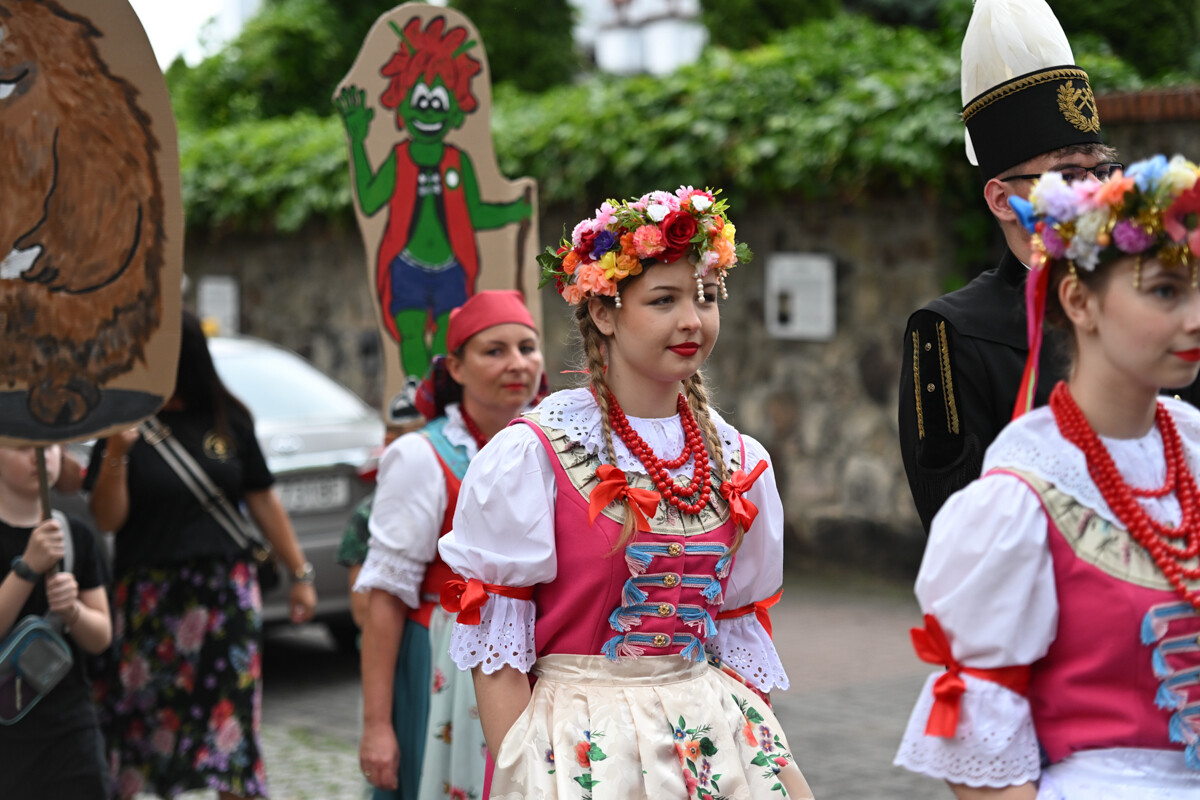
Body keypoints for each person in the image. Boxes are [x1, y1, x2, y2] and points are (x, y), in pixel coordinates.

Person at [436, 187, 814, 799]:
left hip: (711, 742)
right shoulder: (535, 452)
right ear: (606, 313)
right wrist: (523, 774)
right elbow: (500, 641)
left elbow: (741, 633)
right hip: (579, 745)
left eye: (706, 298)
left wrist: (754, 757)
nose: (692, 321)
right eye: (663, 300)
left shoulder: (739, 459)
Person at [894, 155, 1200, 796]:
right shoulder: (1019, 497)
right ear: (1077, 300)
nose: (1194, 316)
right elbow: (981, 744)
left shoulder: (1190, 448)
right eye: (1166, 291)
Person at [897, 0, 1152, 532]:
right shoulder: (947, 333)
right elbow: (957, 522)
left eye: (1102, 169)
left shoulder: (1151, 302)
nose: (1096, 191)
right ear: (1001, 199)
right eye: (1067, 173)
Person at [86, 311, 318, 800]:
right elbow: (107, 519)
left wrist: (300, 573)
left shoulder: (227, 418)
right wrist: (115, 453)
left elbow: (262, 499)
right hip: (150, 599)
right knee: (141, 719)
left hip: (223, 595)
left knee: (229, 723)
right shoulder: (123, 422)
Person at [355, 290, 544, 800]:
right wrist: (377, 725)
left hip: (540, 656)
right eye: (495, 350)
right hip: (446, 656)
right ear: (455, 368)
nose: (517, 364)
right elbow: (387, 598)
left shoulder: (560, 448)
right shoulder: (422, 457)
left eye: (528, 347)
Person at [0, 444, 112, 799]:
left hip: (70, 726)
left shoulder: (73, 532)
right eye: (21, 447)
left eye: (48, 445)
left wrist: (73, 612)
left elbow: (101, 637)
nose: (38, 455)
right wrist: (27, 569)